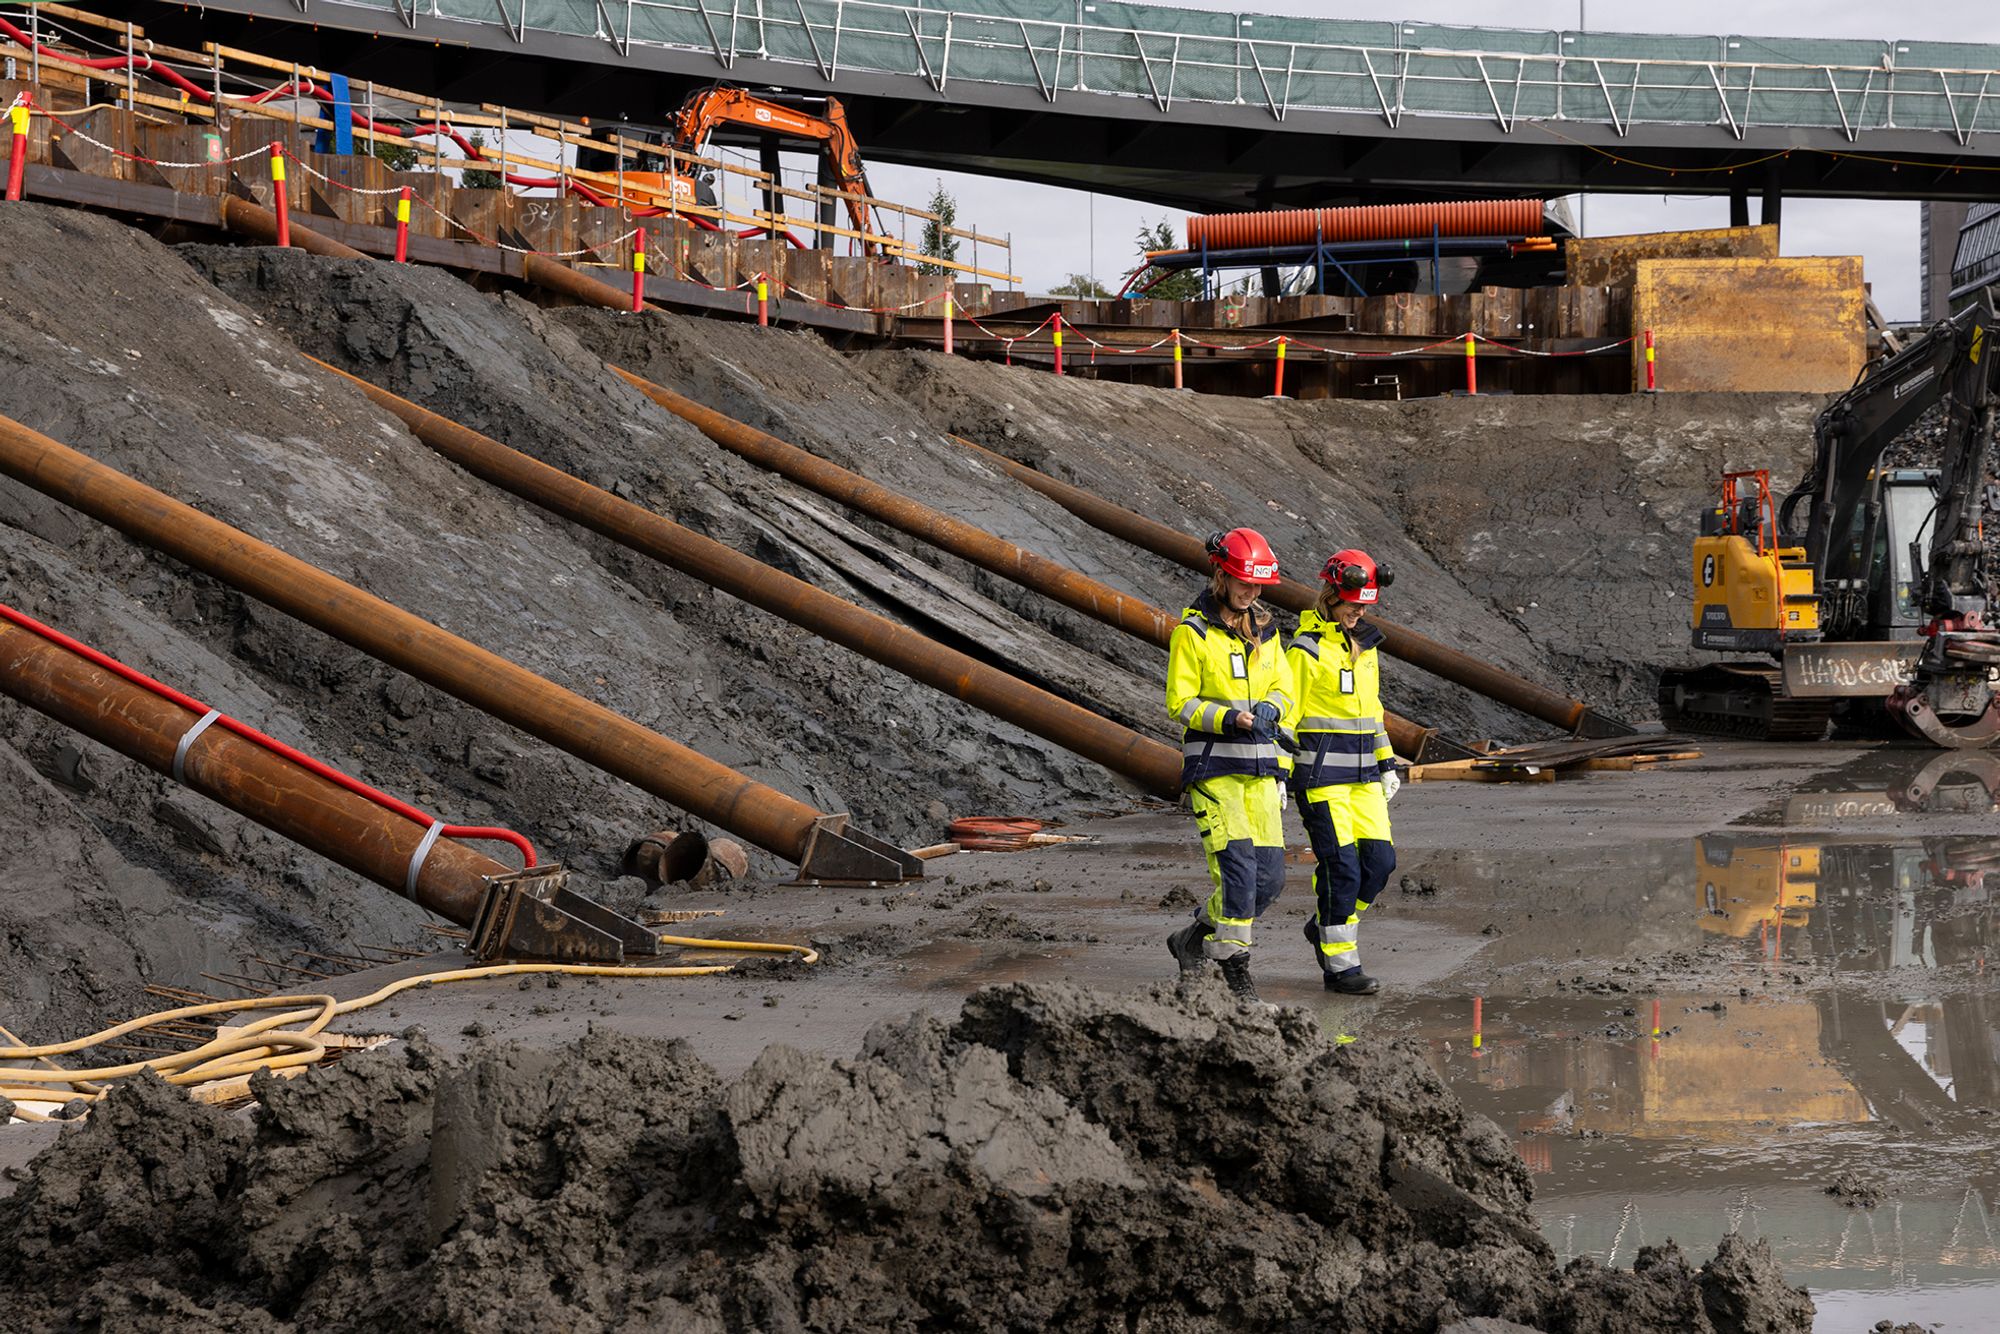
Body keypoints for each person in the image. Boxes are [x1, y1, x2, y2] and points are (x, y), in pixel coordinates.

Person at [1164, 527, 1295, 1004]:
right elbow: (1180, 701)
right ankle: (1233, 969)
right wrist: (1231, 718)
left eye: (1258, 585)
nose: (1252, 592)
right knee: (1238, 875)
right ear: (1220, 574)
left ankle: (1195, 938)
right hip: (1214, 769)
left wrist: (1272, 710)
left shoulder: (1266, 629)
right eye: (1244, 582)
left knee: (1269, 879)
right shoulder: (1192, 632)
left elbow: (1284, 687)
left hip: (1260, 770)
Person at [1287, 548, 1401, 995]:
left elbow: (1372, 712)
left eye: (1365, 605)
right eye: (1353, 603)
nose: (1359, 611)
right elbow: (1287, 714)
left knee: (1379, 864)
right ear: (1331, 596)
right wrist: (1279, 773)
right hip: (1319, 778)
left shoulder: (1366, 645)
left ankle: (1324, 925)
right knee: (1343, 871)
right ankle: (1341, 967)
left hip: (1364, 778)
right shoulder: (1306, 649)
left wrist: (1387, 761)